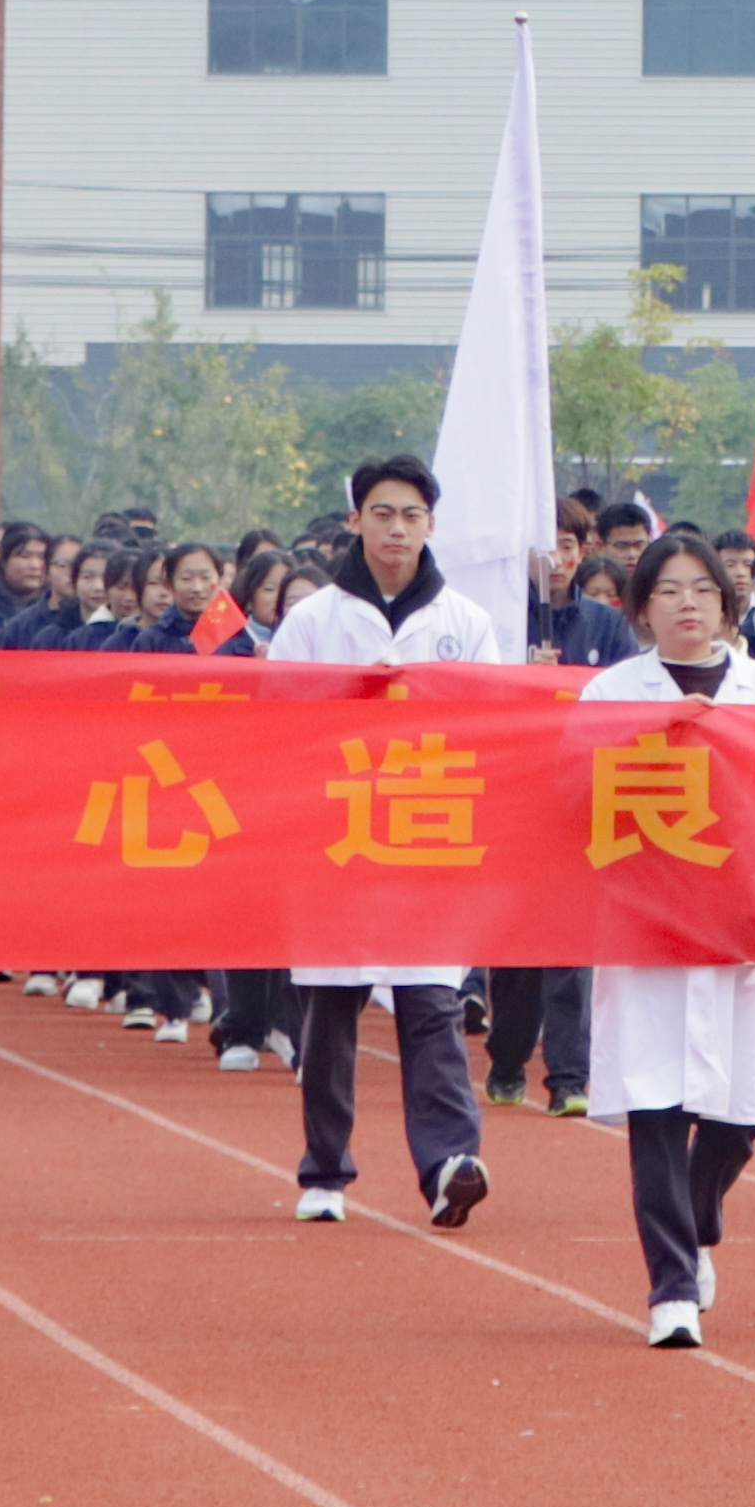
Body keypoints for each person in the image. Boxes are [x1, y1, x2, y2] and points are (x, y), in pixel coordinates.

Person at [263, 455, 505, 1227]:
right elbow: (273, 723)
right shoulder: (312, 620)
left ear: (431, 523)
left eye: (410, 514)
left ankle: (447, 1163)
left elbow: (492, 726)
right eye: (382, 512)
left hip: (426, 834)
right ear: (355, 519)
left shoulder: (465, 622)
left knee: (430, 1002)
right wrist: (347, 697)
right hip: (335, 836)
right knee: (328, 1009)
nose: (396, 527)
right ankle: (324, 1168)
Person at [585, 532, 755, 1346]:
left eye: (702, 588)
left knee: (741, 1111)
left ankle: (699, 1212)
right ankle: (669, 1285)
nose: (687, 604)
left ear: (726, 601)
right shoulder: (609, 692)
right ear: (640, 607)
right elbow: (572, 797)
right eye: (667, 590)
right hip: (647, 927)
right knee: (656, 1102)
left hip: (740, 923)